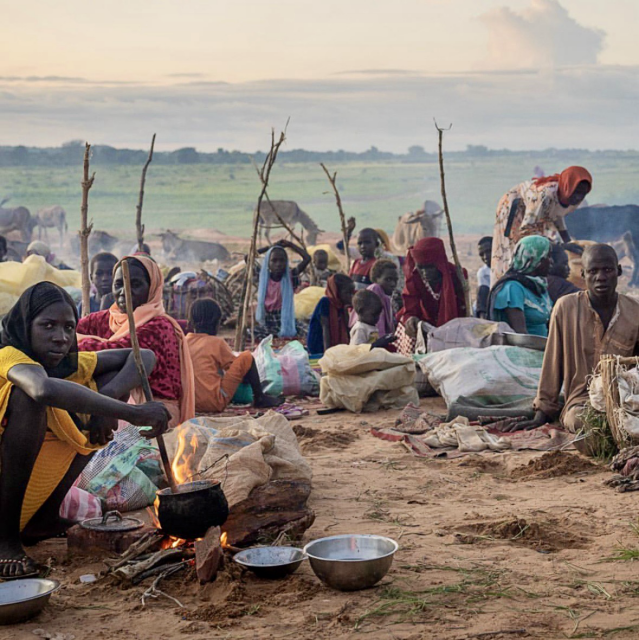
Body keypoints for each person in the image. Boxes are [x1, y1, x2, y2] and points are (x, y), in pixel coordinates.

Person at [0, 282, 169, 578]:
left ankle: (42, 519)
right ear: (25, 325)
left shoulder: (66, 364)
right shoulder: (8, 355)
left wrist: (106, 402)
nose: (61, 338)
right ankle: (5, 540)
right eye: (48, 326)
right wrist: (130, 411)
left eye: (68, 327)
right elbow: (41, 388)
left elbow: (144, 355)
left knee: (97, 387)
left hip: (27, 503)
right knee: (29, 398)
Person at [509, 245, 639, 455]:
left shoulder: (635, 311)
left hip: (628, 402)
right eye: (593, 271)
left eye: (607, 270)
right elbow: (552, 362)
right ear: (583, 274)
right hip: (582, 402)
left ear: (619, 271)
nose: (601, 277)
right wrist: (544, 409)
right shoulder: (566, 308)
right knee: (580, 423)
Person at [76, 254, 195, 427]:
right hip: (120, 406)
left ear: (152, 288)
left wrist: (76, 343)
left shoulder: (159, 326)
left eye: (136, 285)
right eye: (119, 285)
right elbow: (69, 332)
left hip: (155, 412)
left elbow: (117, 351)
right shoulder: (107, 319)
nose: (125, 292)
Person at [491, 166, 593, 283]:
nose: (578, 197)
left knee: (540, 248)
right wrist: (560, 245)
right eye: (576, 192)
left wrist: (568, 241)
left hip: (533, 213)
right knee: (515, 249)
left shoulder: (570, 198)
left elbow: (557, 214)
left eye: (582, 194)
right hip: (515, 208)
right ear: (568, 186)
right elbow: (527, 230)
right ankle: (508, 285)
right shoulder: (545, 196)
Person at [185, 299, 282, 413]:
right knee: (246, 357)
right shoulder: (216, 343)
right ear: (216, 323)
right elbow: (238, 369)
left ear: (190, 321)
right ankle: (260, 397)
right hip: (215, 402)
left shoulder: (184, 342)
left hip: (189, 404)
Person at [396, 237, 467, 355]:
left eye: (429, 267)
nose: (424, 273)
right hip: (424, 327)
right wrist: (411, 318)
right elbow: (410, 306)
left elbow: (462, 308)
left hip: (452, 326)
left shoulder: (457, 275)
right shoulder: (415, 277)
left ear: (439, 263)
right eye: (421, 267)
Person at [488, 235, 553, 337]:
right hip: (525, 349)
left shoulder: (538, 286)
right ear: (535, 259)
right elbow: (520, 334)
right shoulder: (513, 288)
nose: (551, 261)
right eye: (547, 257)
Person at [254, 240, 311, 340]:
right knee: (255, 333)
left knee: (308, 331)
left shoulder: (290, 277)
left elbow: (307, 258)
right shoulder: (263, 277)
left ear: (286, 262)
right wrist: (270, 247)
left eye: (282, 260)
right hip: (269, 321)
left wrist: (290, 245)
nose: (278, 264)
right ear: (268, 263)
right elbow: (248, 257)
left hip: (287, 319)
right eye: (274, 260)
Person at [306, 274, 354, 355]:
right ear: (337, 292)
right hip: (319, 344)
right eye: (348, 293)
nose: (351, 296)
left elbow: (347, 329)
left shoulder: (342, 305)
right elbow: (326, 329)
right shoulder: (325, 302)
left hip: (331, 343)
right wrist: (327, 354)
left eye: (352, 292)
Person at [366, 259, 398, 336]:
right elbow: (379, 327)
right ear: (376, 278)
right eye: (388, 279)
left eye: (395, 280)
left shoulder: (386, 297)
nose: (393, 284)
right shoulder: (374, 290)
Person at [475, 237, 492, 319]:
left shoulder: (506, 266)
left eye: (489, 251)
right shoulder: (483, 273)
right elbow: (483, 294)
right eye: (481, 254)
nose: (485, 257)